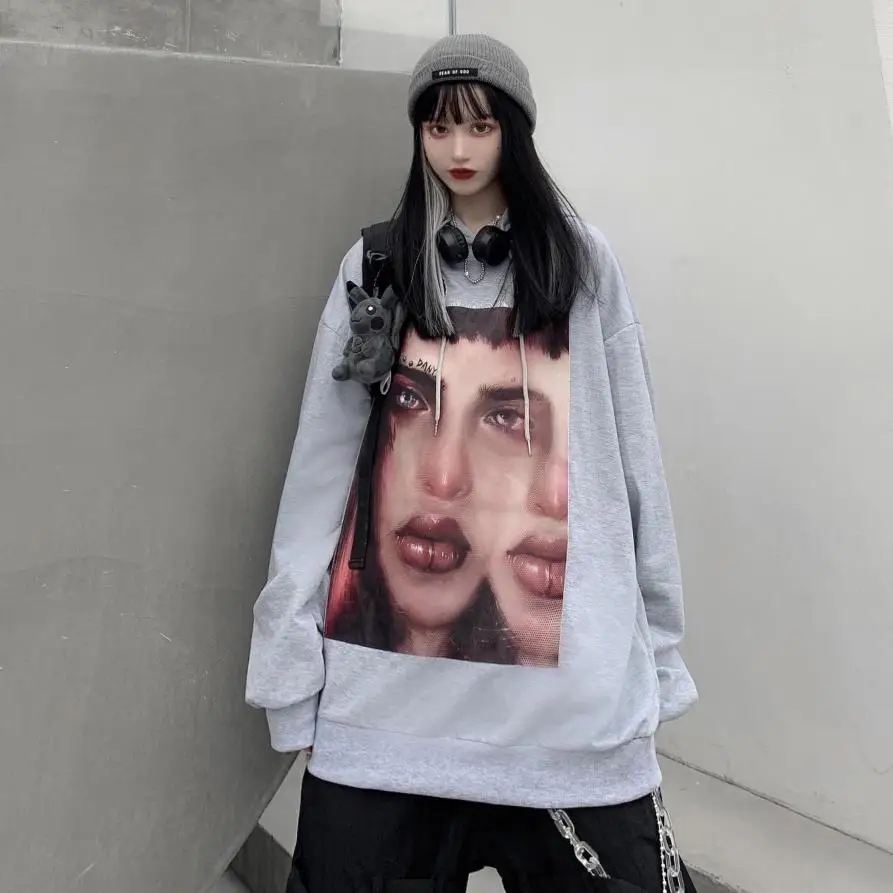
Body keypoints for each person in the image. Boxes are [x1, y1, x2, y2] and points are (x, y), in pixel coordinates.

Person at [246, 33, 700, 893]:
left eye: (480, 126)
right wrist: (289, 658)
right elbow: (321, 468)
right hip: (386, 716)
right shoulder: (377, 265)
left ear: (514, 133)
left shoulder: (581, 266)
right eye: (438, 127)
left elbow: (635, 465)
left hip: (567, 723)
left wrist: (656, 649)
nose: (457, 149)